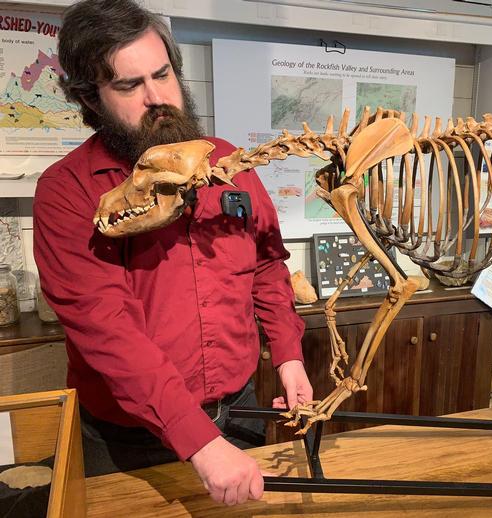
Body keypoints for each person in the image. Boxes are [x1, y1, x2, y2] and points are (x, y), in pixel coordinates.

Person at [32, 0, 312, 506]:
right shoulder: (66, 192)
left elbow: (266, 263)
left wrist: (288, 354)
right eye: (128, 85)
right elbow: (105, 328)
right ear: (89, 98)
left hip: (241, 410)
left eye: (162, 75)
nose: (156, 97)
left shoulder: (228, 160)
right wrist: (201, 441)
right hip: (131, 438)